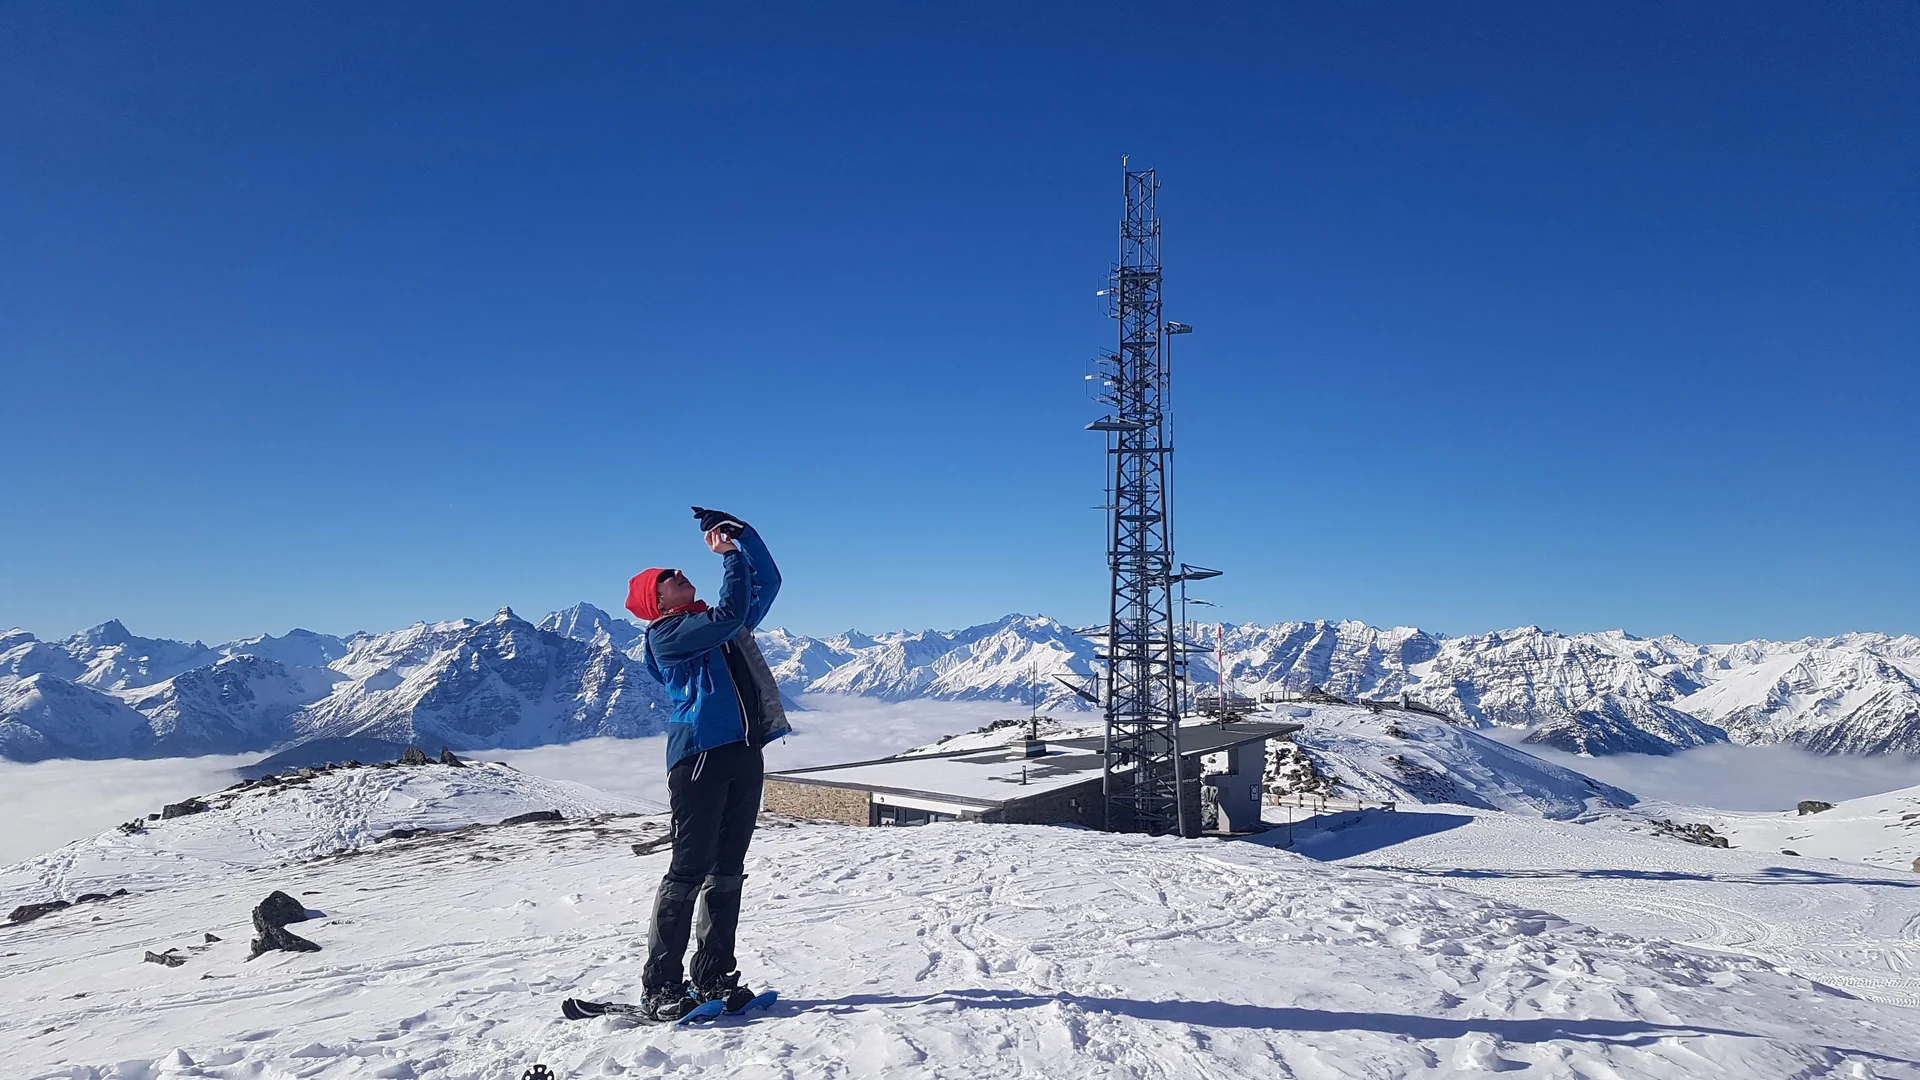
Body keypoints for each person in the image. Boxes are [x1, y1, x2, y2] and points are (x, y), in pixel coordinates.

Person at [623, 506, 790, 1021]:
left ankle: (714, 976)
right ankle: (660, 986)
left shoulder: (714, 624)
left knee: (728, 871)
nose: (679, 574)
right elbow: (731, 614)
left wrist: (745, 535)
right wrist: (729, 558)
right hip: (699, 756)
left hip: (743, 751)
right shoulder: (667, 635)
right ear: (656, 599)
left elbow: (770, 582)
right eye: (668, 577)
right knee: (688, 870)